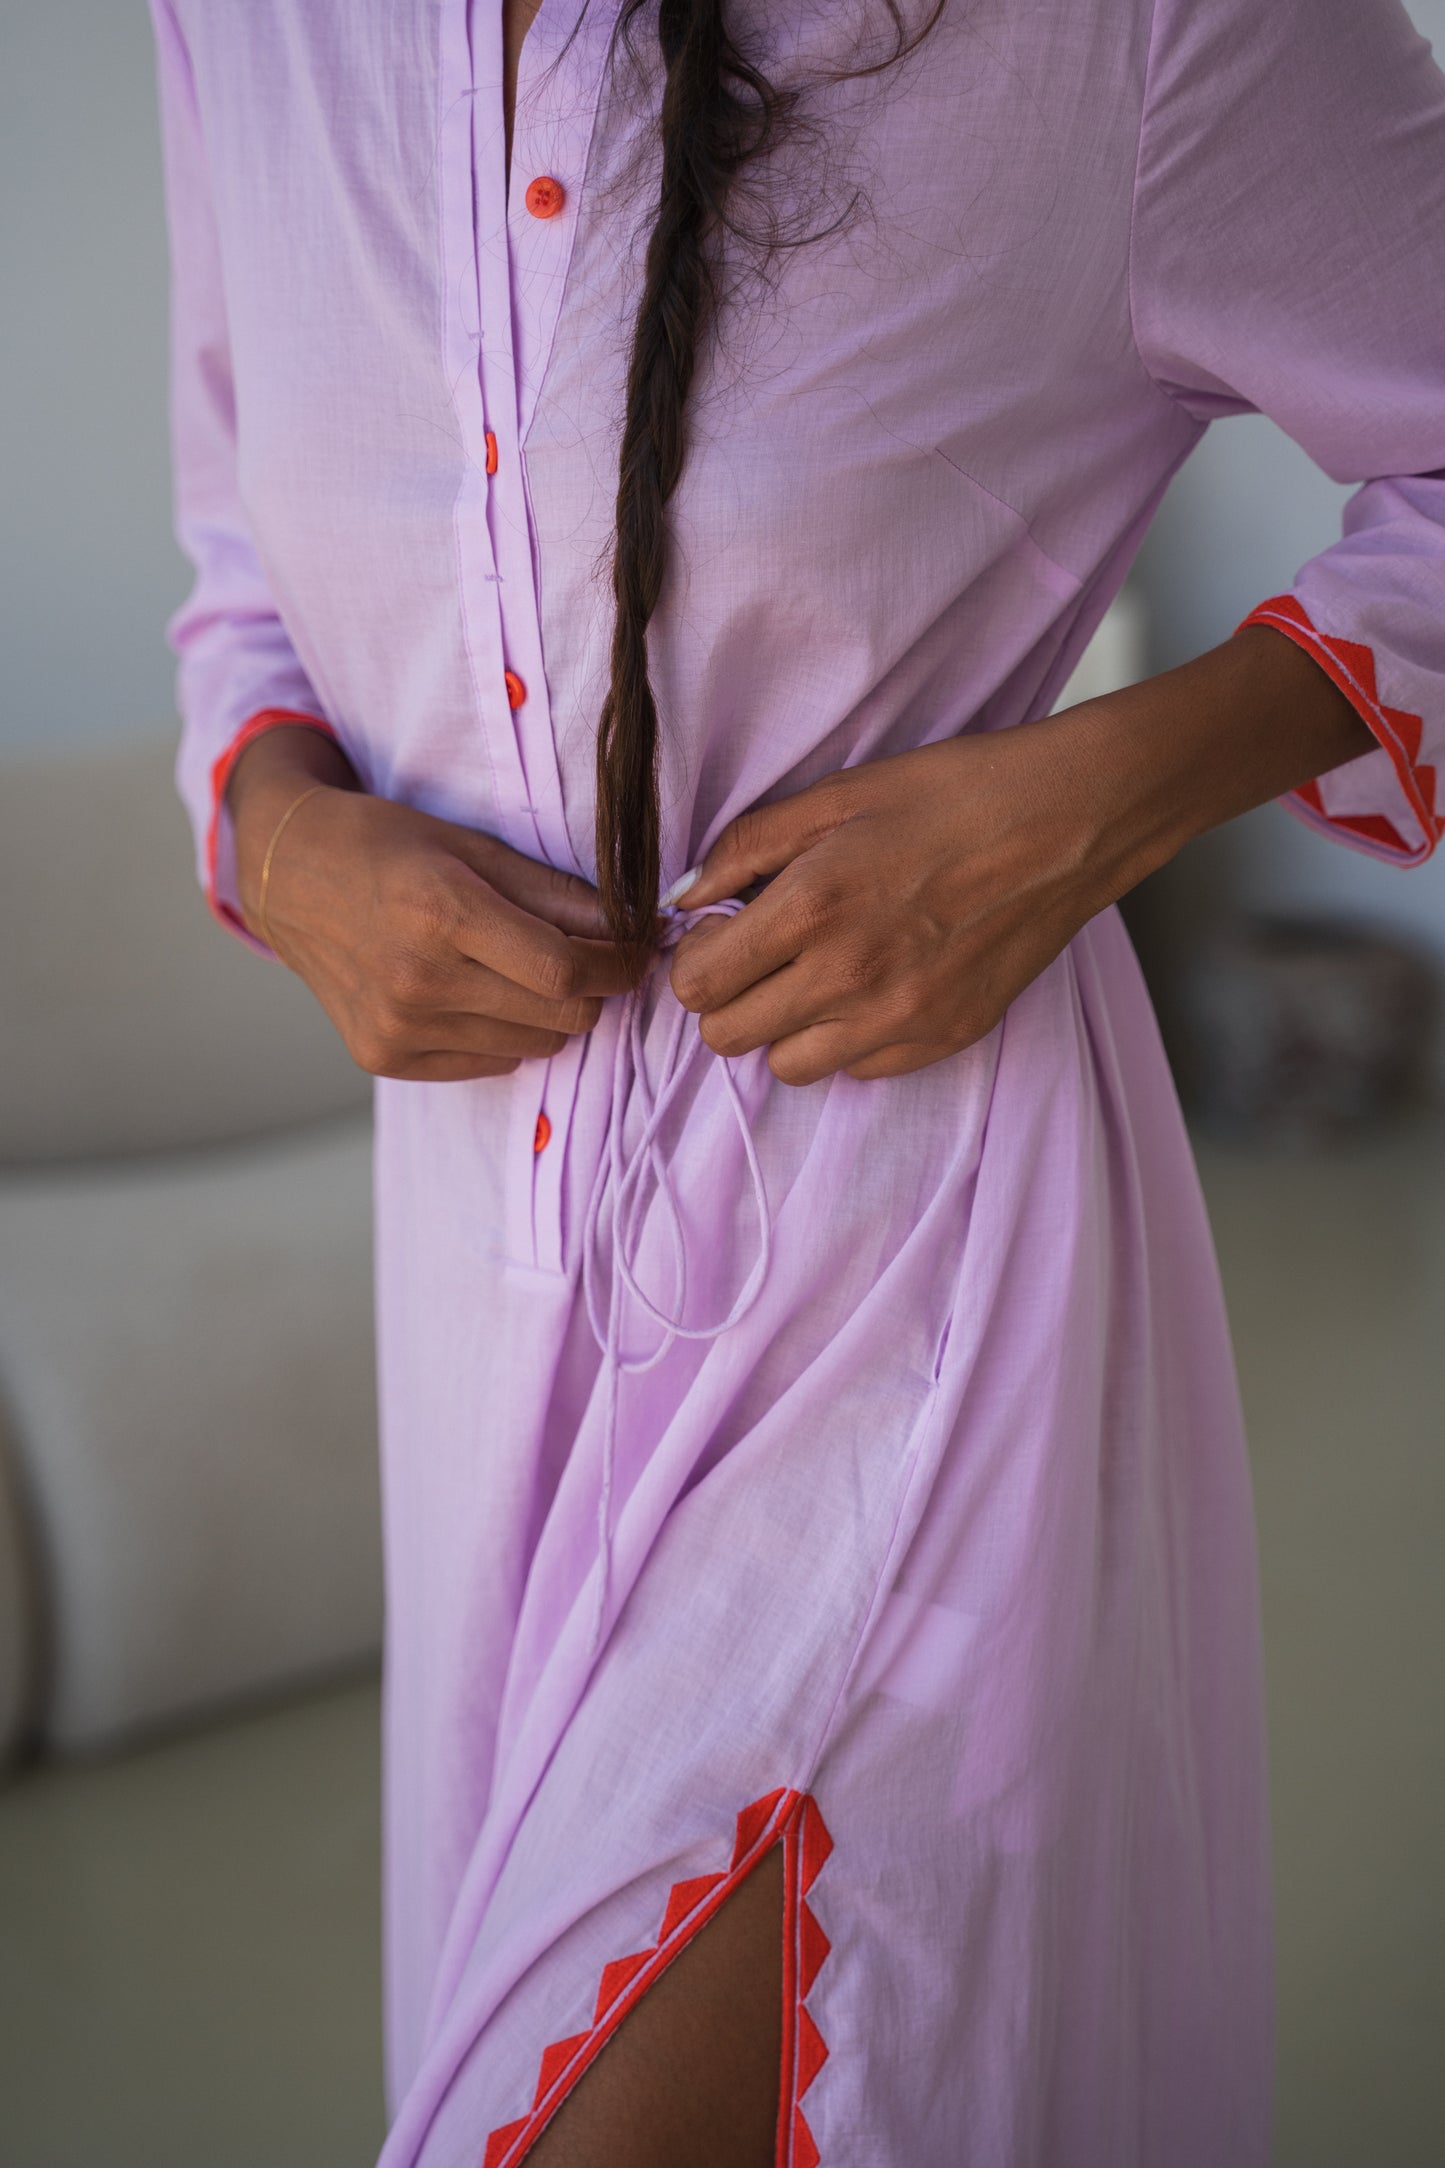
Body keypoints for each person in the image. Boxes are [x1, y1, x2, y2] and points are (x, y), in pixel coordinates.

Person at [149, 0, 1445, 2160]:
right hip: (480, 1295)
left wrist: (1099, 799)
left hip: (904, 1275)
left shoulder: (1124, 32)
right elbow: (239, 590)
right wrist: (286, 844)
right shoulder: (251, 28)